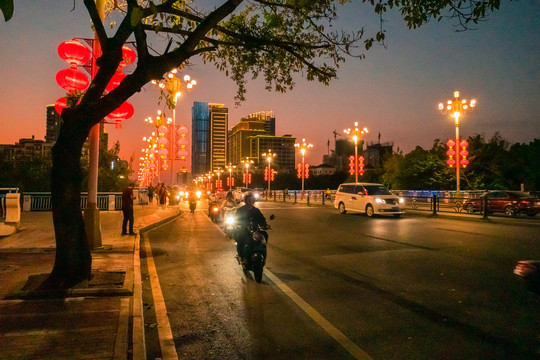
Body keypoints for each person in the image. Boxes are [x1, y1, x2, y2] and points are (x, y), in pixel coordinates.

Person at [234, 193, 268, 260]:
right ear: (245, 201)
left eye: (251, 199)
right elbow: (237, 219)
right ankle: (241, 256)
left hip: (255, 230)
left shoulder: (256, 210)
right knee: (240, 239)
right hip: (244, 229)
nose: (250, 201)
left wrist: (265, 224)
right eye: (248, 199)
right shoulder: (241, 210)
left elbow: (261, 218)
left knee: (265, 235)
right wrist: (239, 224)